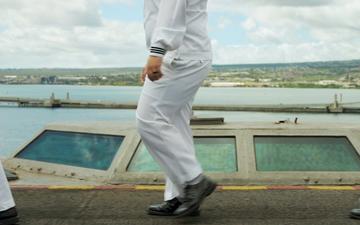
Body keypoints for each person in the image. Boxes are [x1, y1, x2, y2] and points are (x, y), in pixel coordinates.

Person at [136, 0, 216, 217]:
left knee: (149, 120)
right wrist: (154, 55)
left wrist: (157, 52)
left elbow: (172, 11)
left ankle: (194, 181)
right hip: (184, 56)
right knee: (175, 126)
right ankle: (181, 195)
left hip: (181, 58)